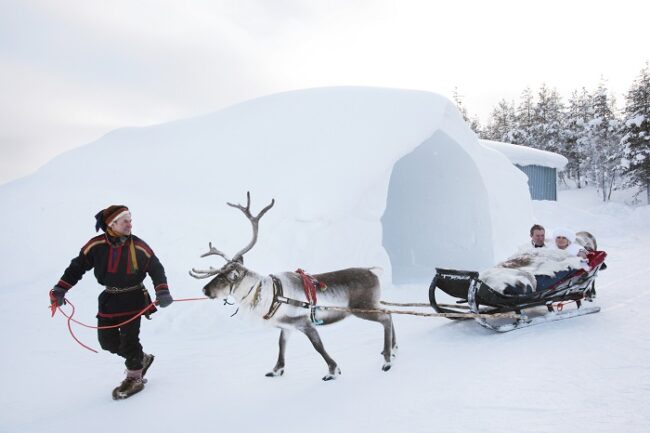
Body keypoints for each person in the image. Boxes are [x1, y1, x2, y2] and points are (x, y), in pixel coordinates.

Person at [49, 205, 173, 400]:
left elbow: (156, 268)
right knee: (107, 342)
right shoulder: (96, 245)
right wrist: (61, 288)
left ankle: (134, 377)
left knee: (130, 340)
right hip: (109, 299)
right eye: (125, 220)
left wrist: (162, 291)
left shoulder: (139, 246)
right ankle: (141, 359)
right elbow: (77, 267)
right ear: (112, 223)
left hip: (134, 298)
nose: (130, 223)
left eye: (130, 219)